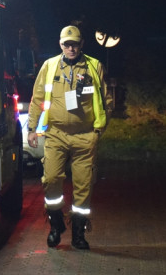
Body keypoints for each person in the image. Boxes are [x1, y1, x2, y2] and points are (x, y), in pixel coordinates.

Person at [27, 24, 108, 250]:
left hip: (85, 136)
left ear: (82, 44)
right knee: (51, 179)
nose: (71, 48)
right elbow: (37, 98)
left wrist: (98, 131)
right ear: (60, 44)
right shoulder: (50, 66)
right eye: (67, 44)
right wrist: (32, 128)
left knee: (83, 186)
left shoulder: (94, 66)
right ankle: (56, 226)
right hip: (56, 135)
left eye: (75, 44)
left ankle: (78, 234)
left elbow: (106, 100)